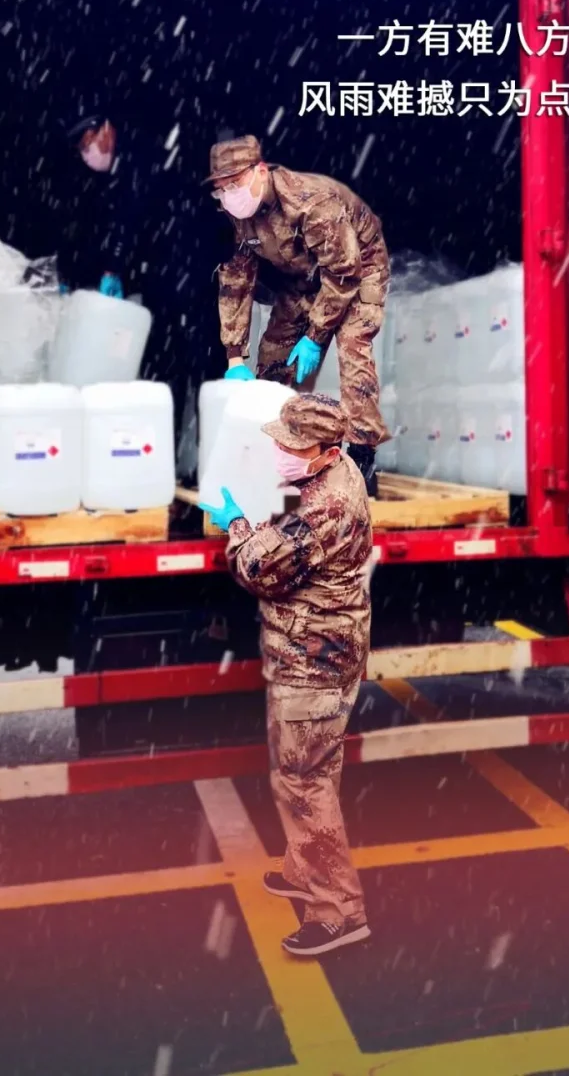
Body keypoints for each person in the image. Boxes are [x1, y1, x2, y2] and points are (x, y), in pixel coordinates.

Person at [200, 393, 373, 957]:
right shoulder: (339, 471)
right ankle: (304, 870)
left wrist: (238, 525)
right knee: (307, 769)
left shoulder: (328, 507)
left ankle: (338, 911)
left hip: (314, 657)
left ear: (327, 451)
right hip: (320, 647)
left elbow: (258, 568)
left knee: (304, 781)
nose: (280, 451)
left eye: (292, 447)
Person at [206, 135, 390, 496]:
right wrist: (234, 356)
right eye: (221, 188)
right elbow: (236, 280)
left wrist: (314, 336)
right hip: (303, 275)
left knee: (353, 346)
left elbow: (343, 272)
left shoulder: (310, 201)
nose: (229, 194)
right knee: (275, 356)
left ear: (261, 171)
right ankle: (279, 449)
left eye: (235, 183)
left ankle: (362, 458)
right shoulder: (237, 213)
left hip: (358, 266)